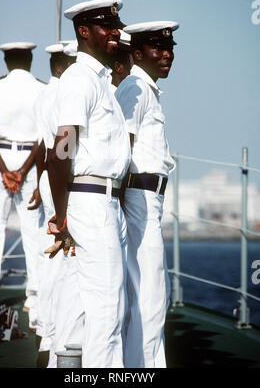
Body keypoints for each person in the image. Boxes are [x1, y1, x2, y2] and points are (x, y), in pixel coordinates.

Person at [46, 0, 131, 368]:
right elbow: (60, 151)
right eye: (107, 26)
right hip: (92, 202)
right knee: (107, 310)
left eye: (117, 25)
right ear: (84, 32)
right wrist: (61, 217)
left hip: (108, 204)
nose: (116, 32)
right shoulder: (80, 80)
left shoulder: (101, 83)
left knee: (101, 304)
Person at [115, 21, 179, 368]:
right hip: (137, 197)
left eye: (170, 49)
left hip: (148, 199)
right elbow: (121, 149)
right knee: (150, 296)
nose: (167, 54)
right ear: (138, 53)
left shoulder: (146, 89)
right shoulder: (135, 88)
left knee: (150, 294)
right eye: (159, 48)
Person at [0, 42, 45, 329]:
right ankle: (34, 295)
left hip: (2, 156)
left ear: (6, 60)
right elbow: (45, 137)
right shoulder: (43, 88)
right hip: (31, 158)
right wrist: (22, 171)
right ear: (30, 59)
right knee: (33, 229)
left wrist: (6, 171)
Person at [32, 41, 77, 358]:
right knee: (65, 260)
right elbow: (62, 151)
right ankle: (58, 337)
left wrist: (39, 183)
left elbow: (43, 148)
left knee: (53, 260)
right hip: (65, 181)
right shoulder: (65, 95)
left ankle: (47, 330)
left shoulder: (46, 95)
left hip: (51, 178)